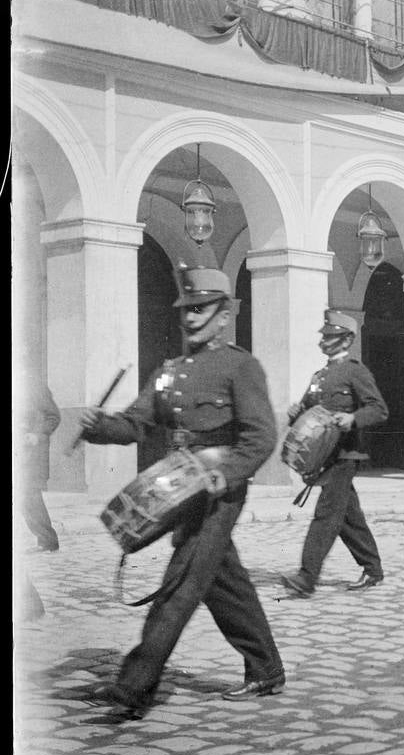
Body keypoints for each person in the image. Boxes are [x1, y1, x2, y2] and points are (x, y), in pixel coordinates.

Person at [79, 266, 284, 717]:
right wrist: (100, 427)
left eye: (201, 309)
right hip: (179, 488)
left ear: (224, 314)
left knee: (182, 581)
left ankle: (134, 685)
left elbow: (260, 437)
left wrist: (224, 475)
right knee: (222, 580)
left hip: (218, 491)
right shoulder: (170, 371)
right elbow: (136, 423)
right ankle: (266, 669)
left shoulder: (240, 366)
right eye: (186, 310)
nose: (190, 318)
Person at [281, 311, 388, 597]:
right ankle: (372, 568)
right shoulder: (320, 376)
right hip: (324, 455)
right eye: (324, 335)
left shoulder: (356, 371)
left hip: (346, 453)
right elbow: (308, 410)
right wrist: (296, 413)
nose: (324, 341)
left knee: (327, 513)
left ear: (347, 339)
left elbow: (378, 409)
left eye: (331, 336)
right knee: (347, 515)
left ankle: (307, 577)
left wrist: (353, 419)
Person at [21, 378, 61, 553]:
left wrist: (37, 435)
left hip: (32, 453)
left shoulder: (35, 386)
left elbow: (54, 417)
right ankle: (45, 540)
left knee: (29, 496)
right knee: (25, 498)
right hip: (19, 452)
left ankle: (47, 541)